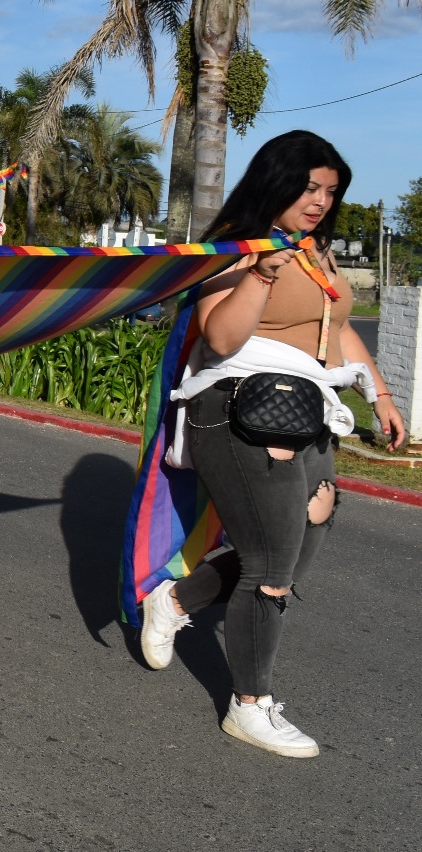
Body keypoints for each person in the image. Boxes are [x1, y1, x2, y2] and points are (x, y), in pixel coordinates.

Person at [139, 130, 406, 758]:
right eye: (309, 187)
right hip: (234, 409)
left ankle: (175, 598)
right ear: (277, 181)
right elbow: (222, 338)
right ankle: (250, 706)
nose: (319, 202)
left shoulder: (316, 251)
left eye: (330, 192)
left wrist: (382, 395)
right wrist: (259, 273)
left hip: (306, 411)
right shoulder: (237, 242)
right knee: (270, 569)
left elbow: (335, 333)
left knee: (296, 548)